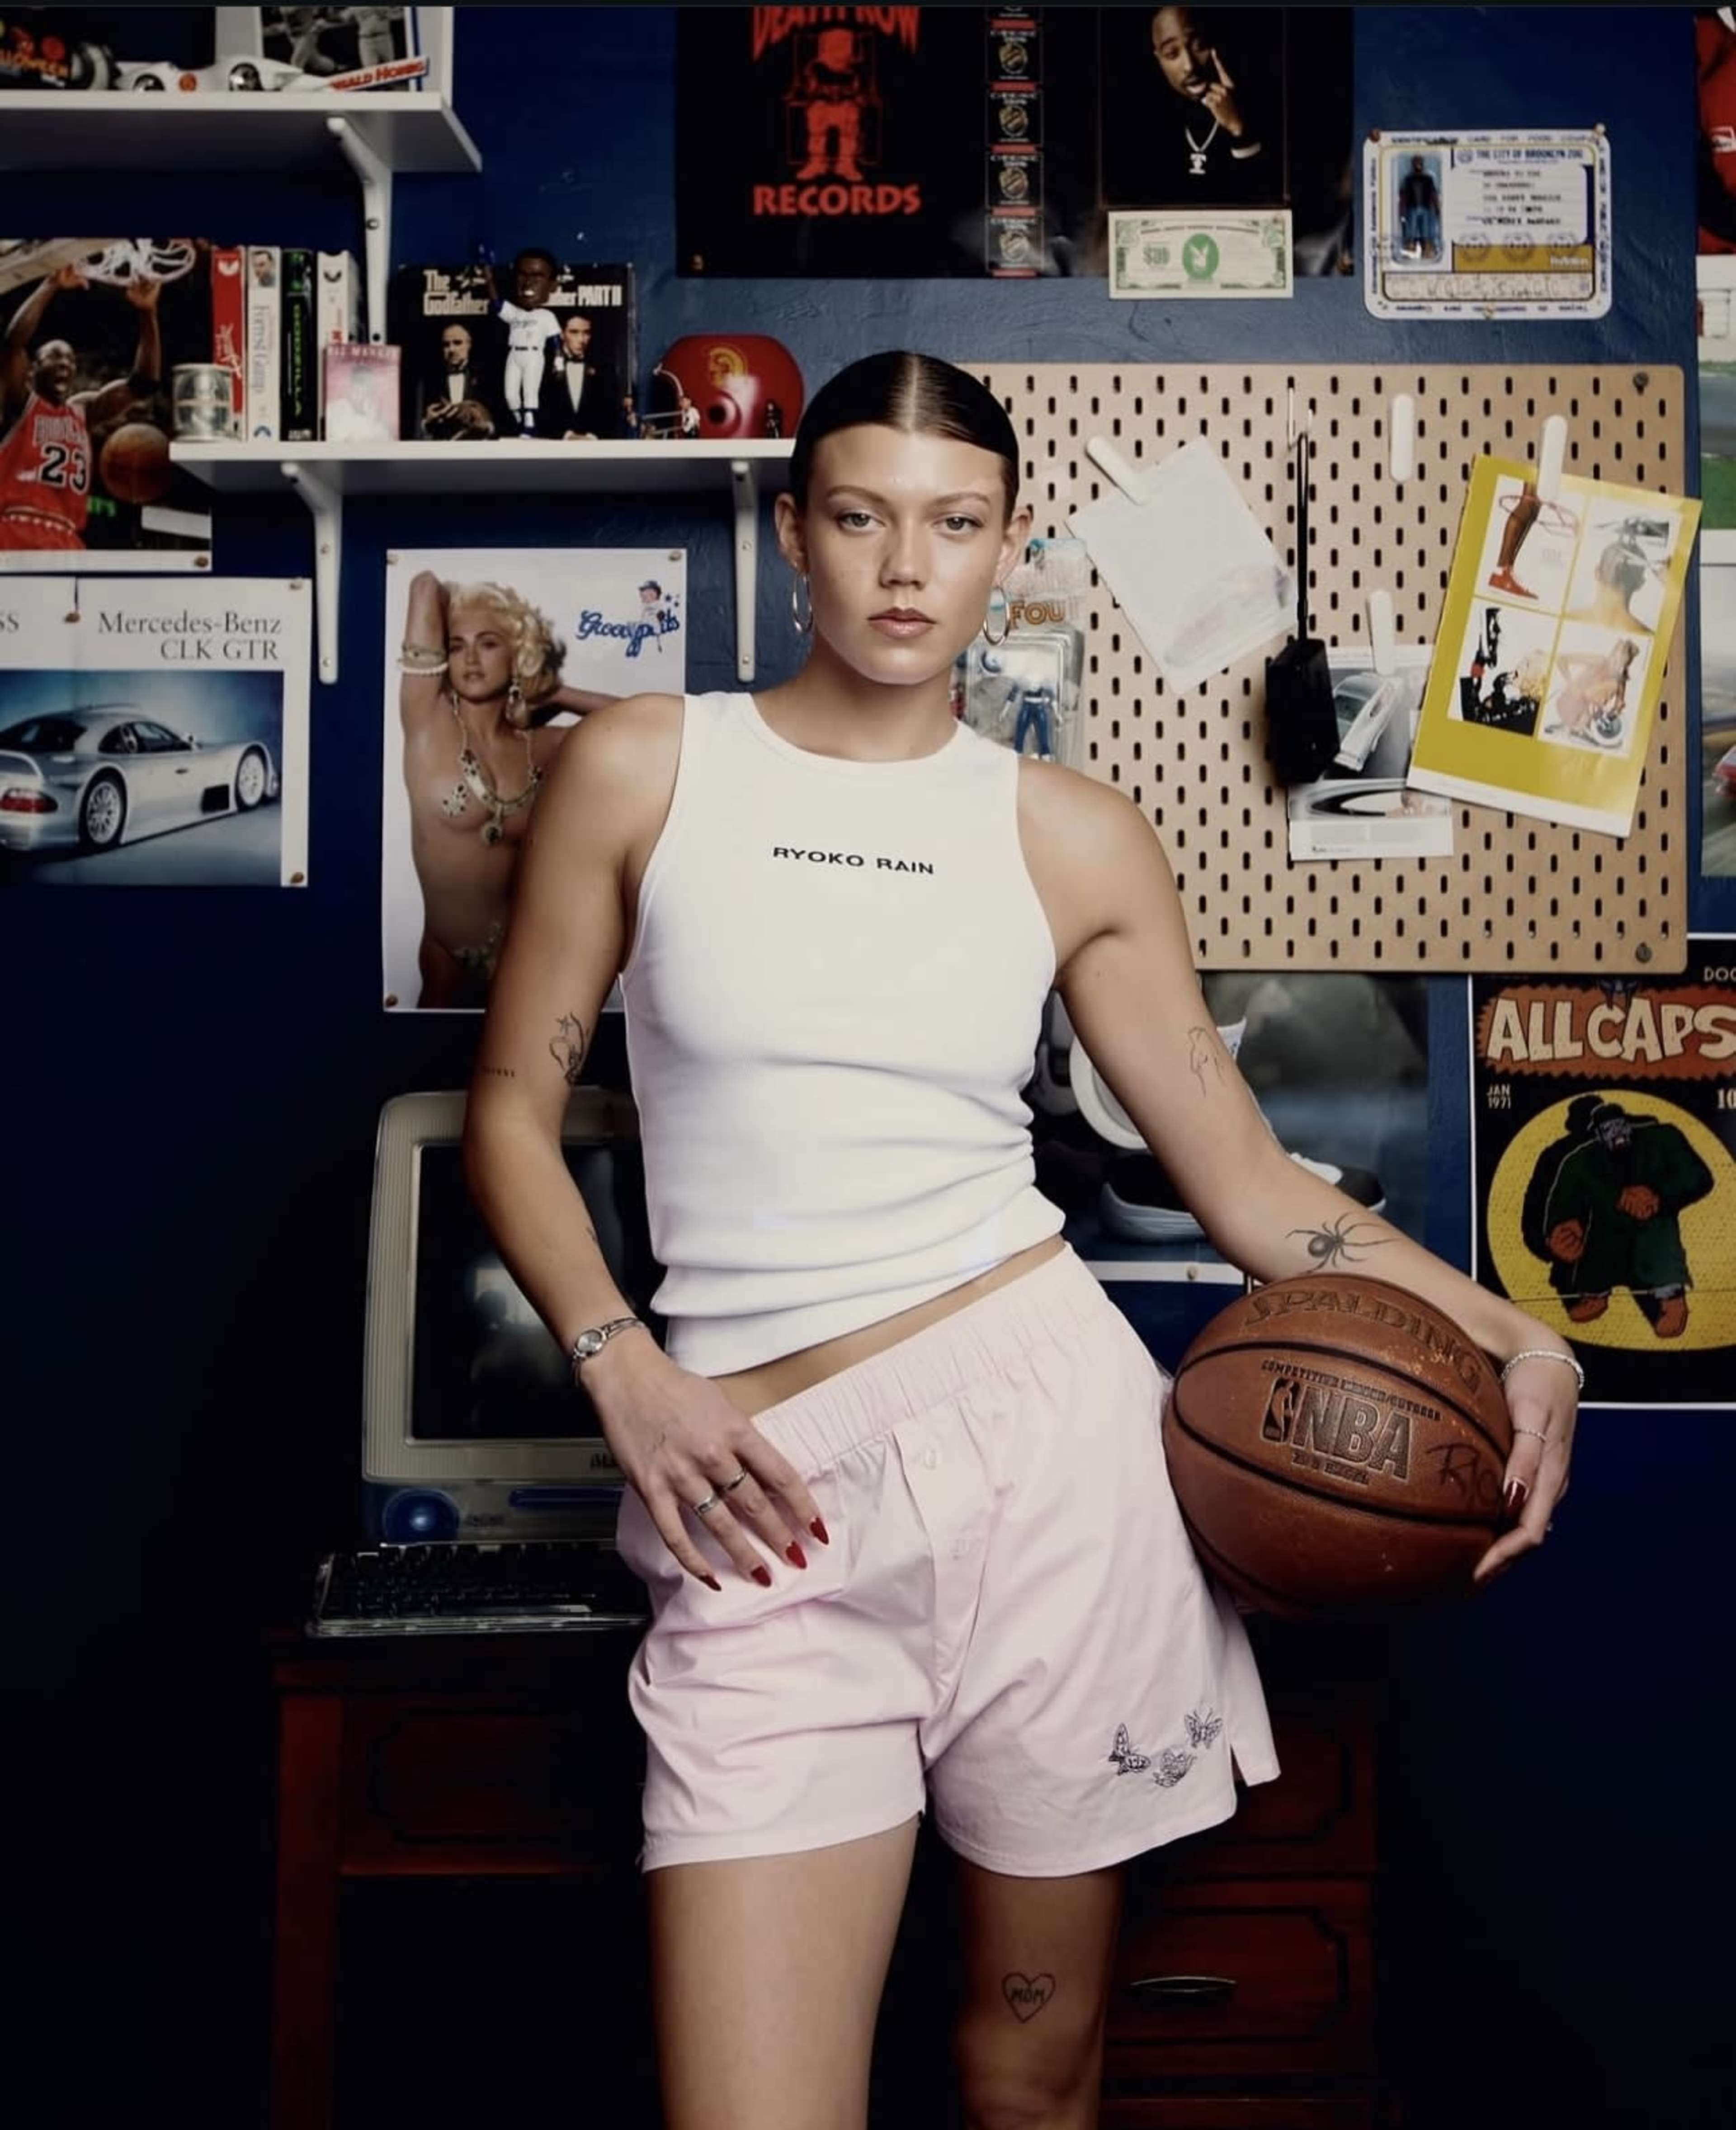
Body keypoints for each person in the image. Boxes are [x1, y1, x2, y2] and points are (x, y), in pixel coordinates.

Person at [461, 352, 1580, 2130]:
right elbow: (511, 1117)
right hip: (754, 1492)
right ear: (793, 537)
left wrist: (1517, 1329)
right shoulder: (644, 767)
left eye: (957, 523)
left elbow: (1249, 1187)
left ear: (1010, 550)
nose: (908, 563)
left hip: (1052, 1481)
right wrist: (630, 1371)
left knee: (1031, 2075)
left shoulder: (1073, 833)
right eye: (862, 515)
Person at [397, 572, 614, 1007]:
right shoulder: (427, 722)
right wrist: (463, 604)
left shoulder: (545, 746)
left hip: (533, 963)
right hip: (447, 962)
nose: (471, 659)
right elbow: (423, 586)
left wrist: (558, 695)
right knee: (426, 1072)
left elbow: (649, 725)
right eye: (458, 645)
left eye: (489, 643)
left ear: (519, 654)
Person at [0, 263, 161, 553]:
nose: (65, 364)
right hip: (14, 529)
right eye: (54, 358)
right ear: (32, 371)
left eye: (71, 361)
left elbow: (144, 383)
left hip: (67, 538)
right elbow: (13, 343)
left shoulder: (83, 411)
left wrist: (147, 313)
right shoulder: (19, 403)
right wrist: (50, 284)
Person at [1114, 6, 1275, 206]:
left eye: (1199, 46)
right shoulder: (1143, 124)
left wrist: (1238, 129)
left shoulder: (1261, 103)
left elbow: (1269, 209)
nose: (1189, 65)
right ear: (1159, 59)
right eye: (1172, 54)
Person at [495, 248, 562, 437]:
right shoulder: (514, 313)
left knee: (530, 393)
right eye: (523, 275)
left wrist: (559, 363)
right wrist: (487, 275)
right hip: (515, 354)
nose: (529, 282)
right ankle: (519, 423)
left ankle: (530, 427)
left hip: (534, 355)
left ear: (552, 284)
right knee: (511, 395)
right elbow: (497, 304)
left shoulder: (546, 316)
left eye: (537, 276)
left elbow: (555, 341)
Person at [533, 312, 625, 440]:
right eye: (574, 332)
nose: (581, 340)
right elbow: (540, 411)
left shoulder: (605, 368)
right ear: (562, 334)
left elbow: (611, 411)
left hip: (594, 448)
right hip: (554, 449)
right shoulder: (543, 366)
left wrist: (592, 438)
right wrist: (567, 436)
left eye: (586, 333)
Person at [417, 319, 500, 440]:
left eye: (458, 343)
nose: (451, 350)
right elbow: (418, 428)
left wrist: (485, 427)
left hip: (478, 450)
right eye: (446, 345)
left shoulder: (487, 378)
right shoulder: (430, 380)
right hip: (442, 450)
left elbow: (502, 424)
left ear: (469, 345)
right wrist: (427, 423)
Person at [1397, 155, 1441, 260]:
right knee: (1411, 230)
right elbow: (1403, 196)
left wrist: (1437, 208)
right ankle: (1409, 248)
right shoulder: (1408, 179)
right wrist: (1402, 210)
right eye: (1416, 162)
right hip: (1412, 208)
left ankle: (1428, 249)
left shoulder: (1428, 179)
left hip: (1426, 208)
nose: (1418, 165)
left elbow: (1434, 194)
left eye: (1419, 162)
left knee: (1426, 230)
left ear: (1423, 163)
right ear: (1412, 164)